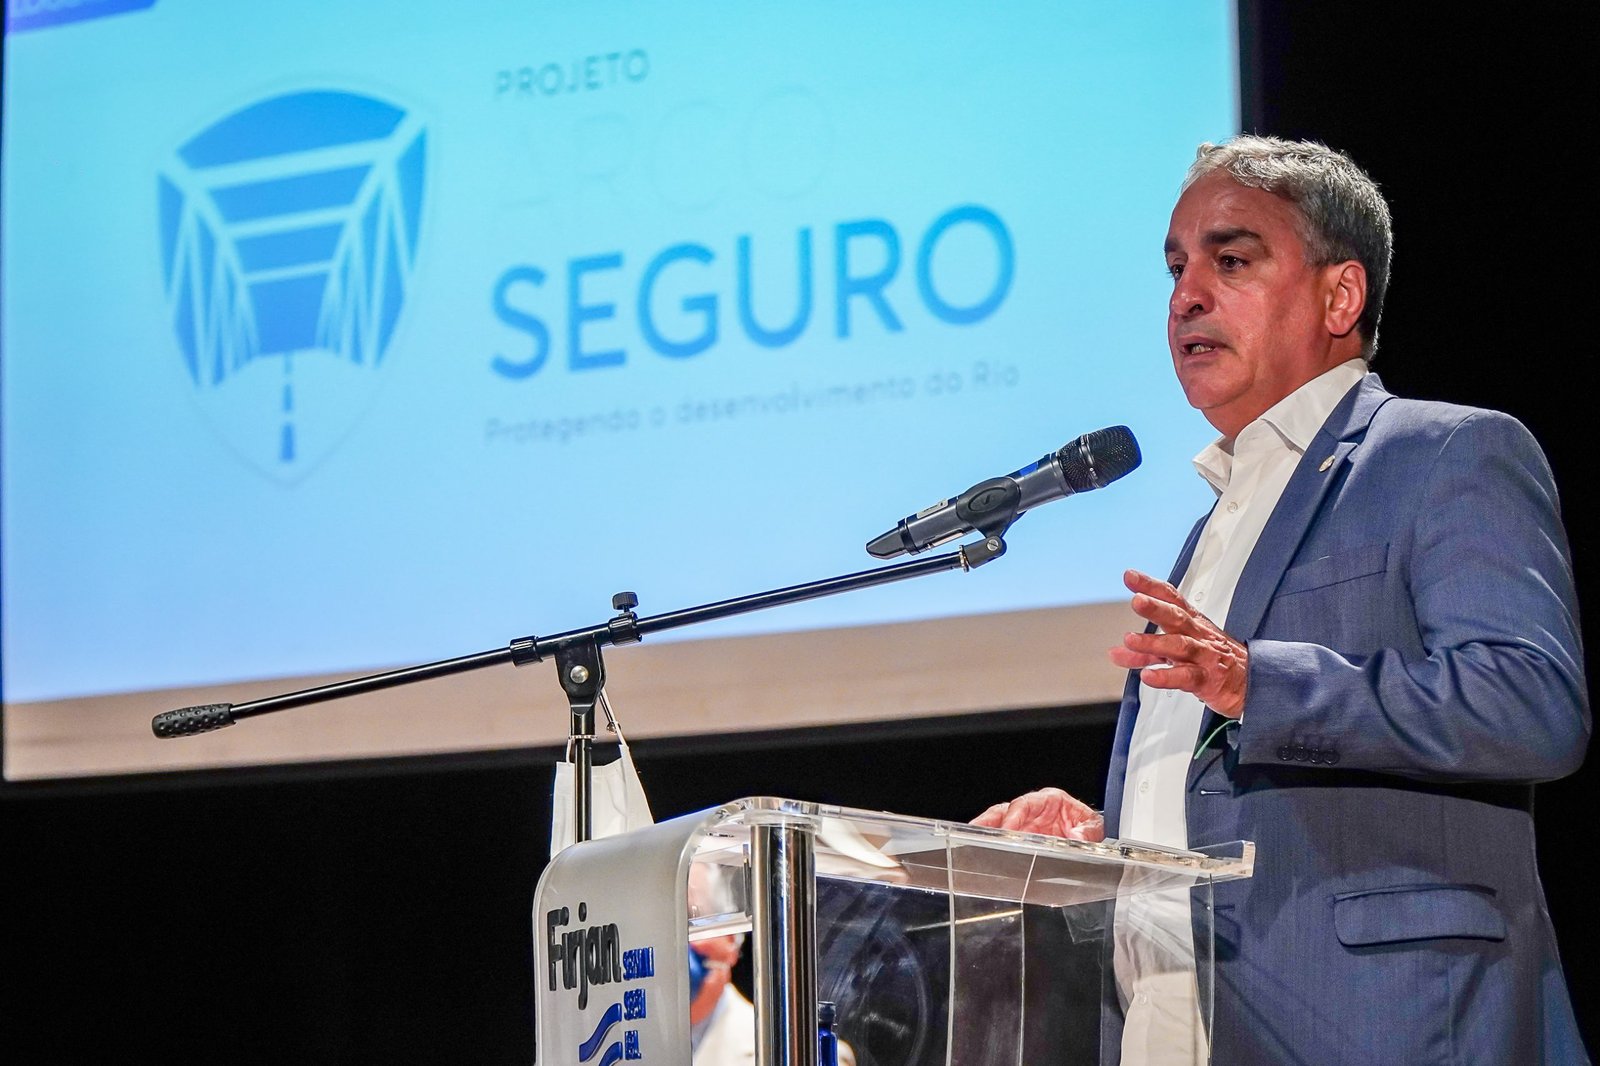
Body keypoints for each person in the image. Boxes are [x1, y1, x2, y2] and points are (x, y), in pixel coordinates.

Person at [975, 135, 1589, 1064]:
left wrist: (1259, 682)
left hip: (1378, 1023)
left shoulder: (1445, 454)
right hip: (1179, 1019)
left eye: (1231, 261)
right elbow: (1247, 797)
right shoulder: (1216, 522)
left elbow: (1530, 704)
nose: (1186, 296)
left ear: (1340, 297)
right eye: (1177, 269)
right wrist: (1112, 837)